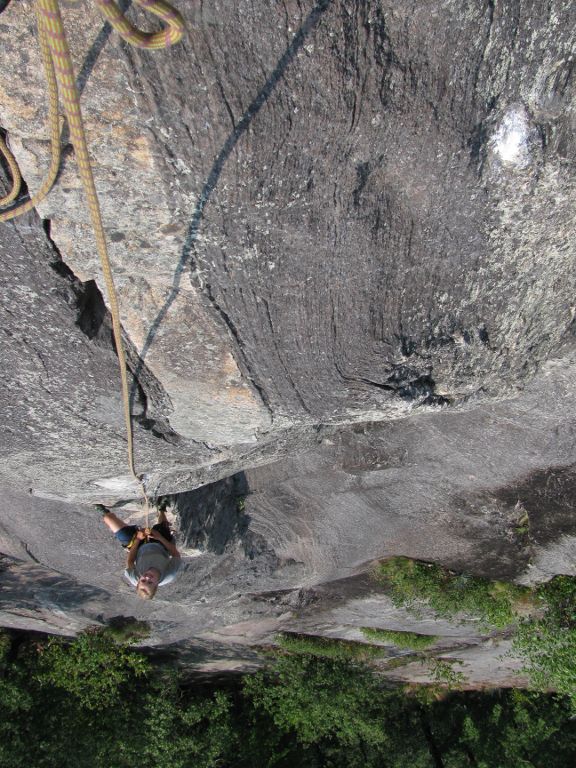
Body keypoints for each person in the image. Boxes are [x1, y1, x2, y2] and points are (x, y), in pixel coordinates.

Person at [97, 503, 181, 599]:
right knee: (163, 528)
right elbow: (175, 554)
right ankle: (161, 510)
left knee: (108, 519)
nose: (147, 578)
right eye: (150, 582)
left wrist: (138, 539)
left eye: (143, 581)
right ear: (156, 584)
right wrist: (159, 537)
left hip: (138, 546)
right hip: (161, 545)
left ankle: (104, 511)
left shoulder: (134, 578)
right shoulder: (169, 574)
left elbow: (130, 561)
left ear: (138, 582)